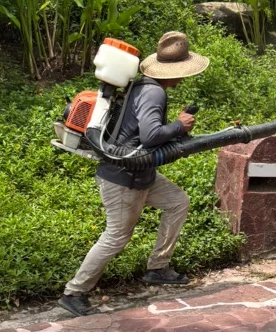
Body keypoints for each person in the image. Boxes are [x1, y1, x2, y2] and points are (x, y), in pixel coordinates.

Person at [58, 31, 209, 317]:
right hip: (124, 178)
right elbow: (151, 136)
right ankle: (74, 292)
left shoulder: (143, 87)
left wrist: (175, 128)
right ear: (175, 71)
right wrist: (180, 125)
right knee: (116, 236)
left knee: (177, 201)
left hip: (141, 174)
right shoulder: (154, 92)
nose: (183, 78)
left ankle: (158, 268)